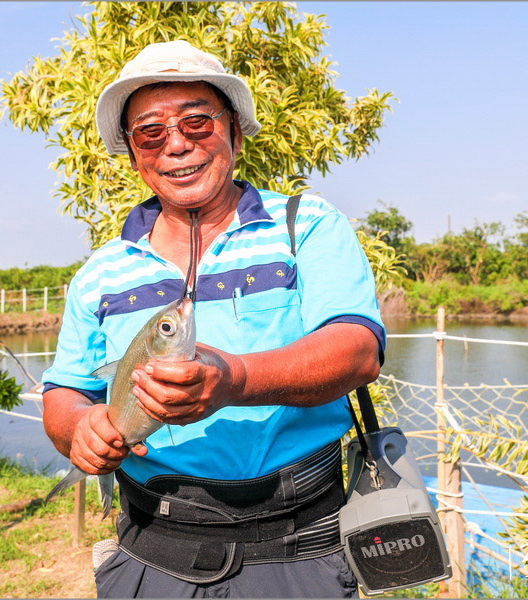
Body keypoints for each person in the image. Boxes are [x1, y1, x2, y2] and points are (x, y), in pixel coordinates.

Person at [40, 40, 385, 598]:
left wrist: (234, 381)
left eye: (198, 122)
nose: (176, 143)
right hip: (151, 547)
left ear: (235, 133)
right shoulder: (99, 274)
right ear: (134, 155)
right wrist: (79, 429)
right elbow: (64, 394)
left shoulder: (308, 226)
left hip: (299, 549)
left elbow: (357, 352)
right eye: (150, 132)